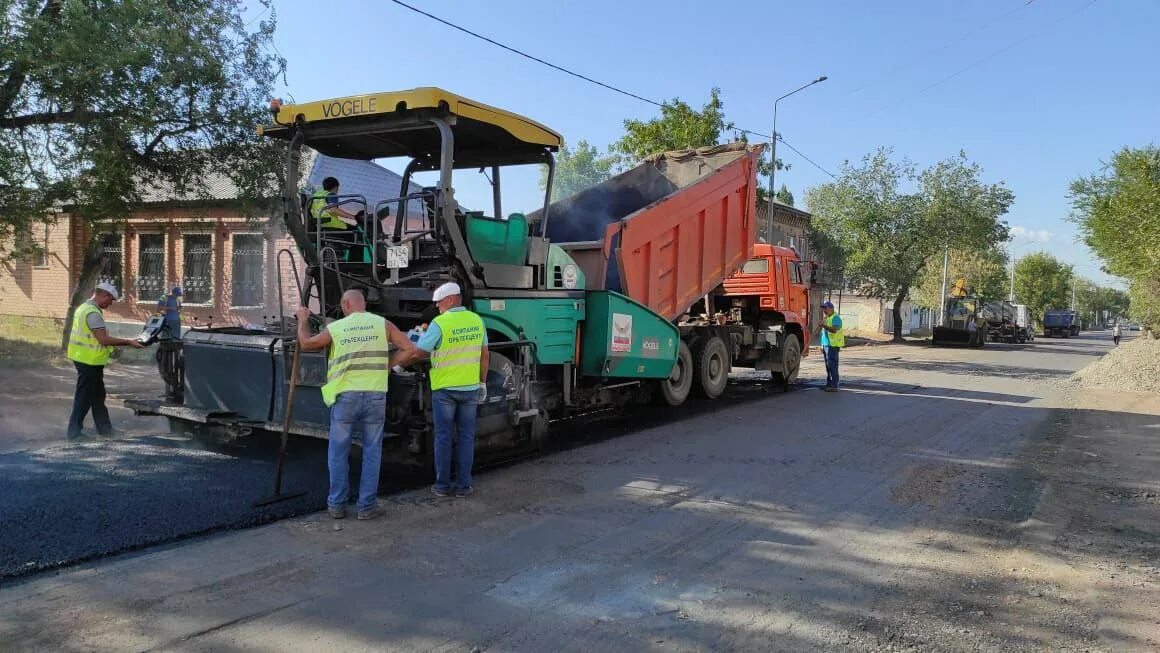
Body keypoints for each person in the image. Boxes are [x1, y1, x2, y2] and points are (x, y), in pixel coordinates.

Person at [295, 290, 416, 521]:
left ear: (345, 305)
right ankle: (367, 507)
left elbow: (306, 344)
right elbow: (410, 349)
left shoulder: (337, 328)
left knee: (338, 452)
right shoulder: (383, 324)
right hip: (375, 397)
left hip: (345, 398)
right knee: (372, 451)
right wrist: (389, 364)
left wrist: (302, 320)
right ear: (363, 304)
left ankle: (337, 506)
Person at [397, 282, 488, 498]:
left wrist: (399, 364)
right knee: (466, 438)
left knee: (444, 437)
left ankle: (442, 486)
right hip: (469, 389)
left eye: (439, 302)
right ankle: (464, 486)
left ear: (451, 299)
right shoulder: (477, 321)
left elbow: (419, 352)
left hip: (445, 391)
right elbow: (485, 355)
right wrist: (482, 382)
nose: (437, 306)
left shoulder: (440, 324)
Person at [67, 282, 145, 439]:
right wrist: (128, 342)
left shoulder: (84, 308)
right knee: (84, 397)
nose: (110, 304)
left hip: (84, 358)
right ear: (104, 295)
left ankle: (105, 430)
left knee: (97, 396)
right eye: (110, 300)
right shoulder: (93, 313)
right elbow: (102, 339)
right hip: (89, 361)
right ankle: (74, 433)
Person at [820, 300, 844, 392]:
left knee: (832, 365)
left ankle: (834, 385)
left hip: (833, 346)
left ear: (831, 308)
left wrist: (824, 326)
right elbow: (824, 334)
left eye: (825, 308)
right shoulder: (827, 318)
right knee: (828, 366)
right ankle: (829, 384)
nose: (824, 310)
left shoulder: (836, 318)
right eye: (823, 309)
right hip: (827, 345)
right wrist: (822, 345)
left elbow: (834, 330)